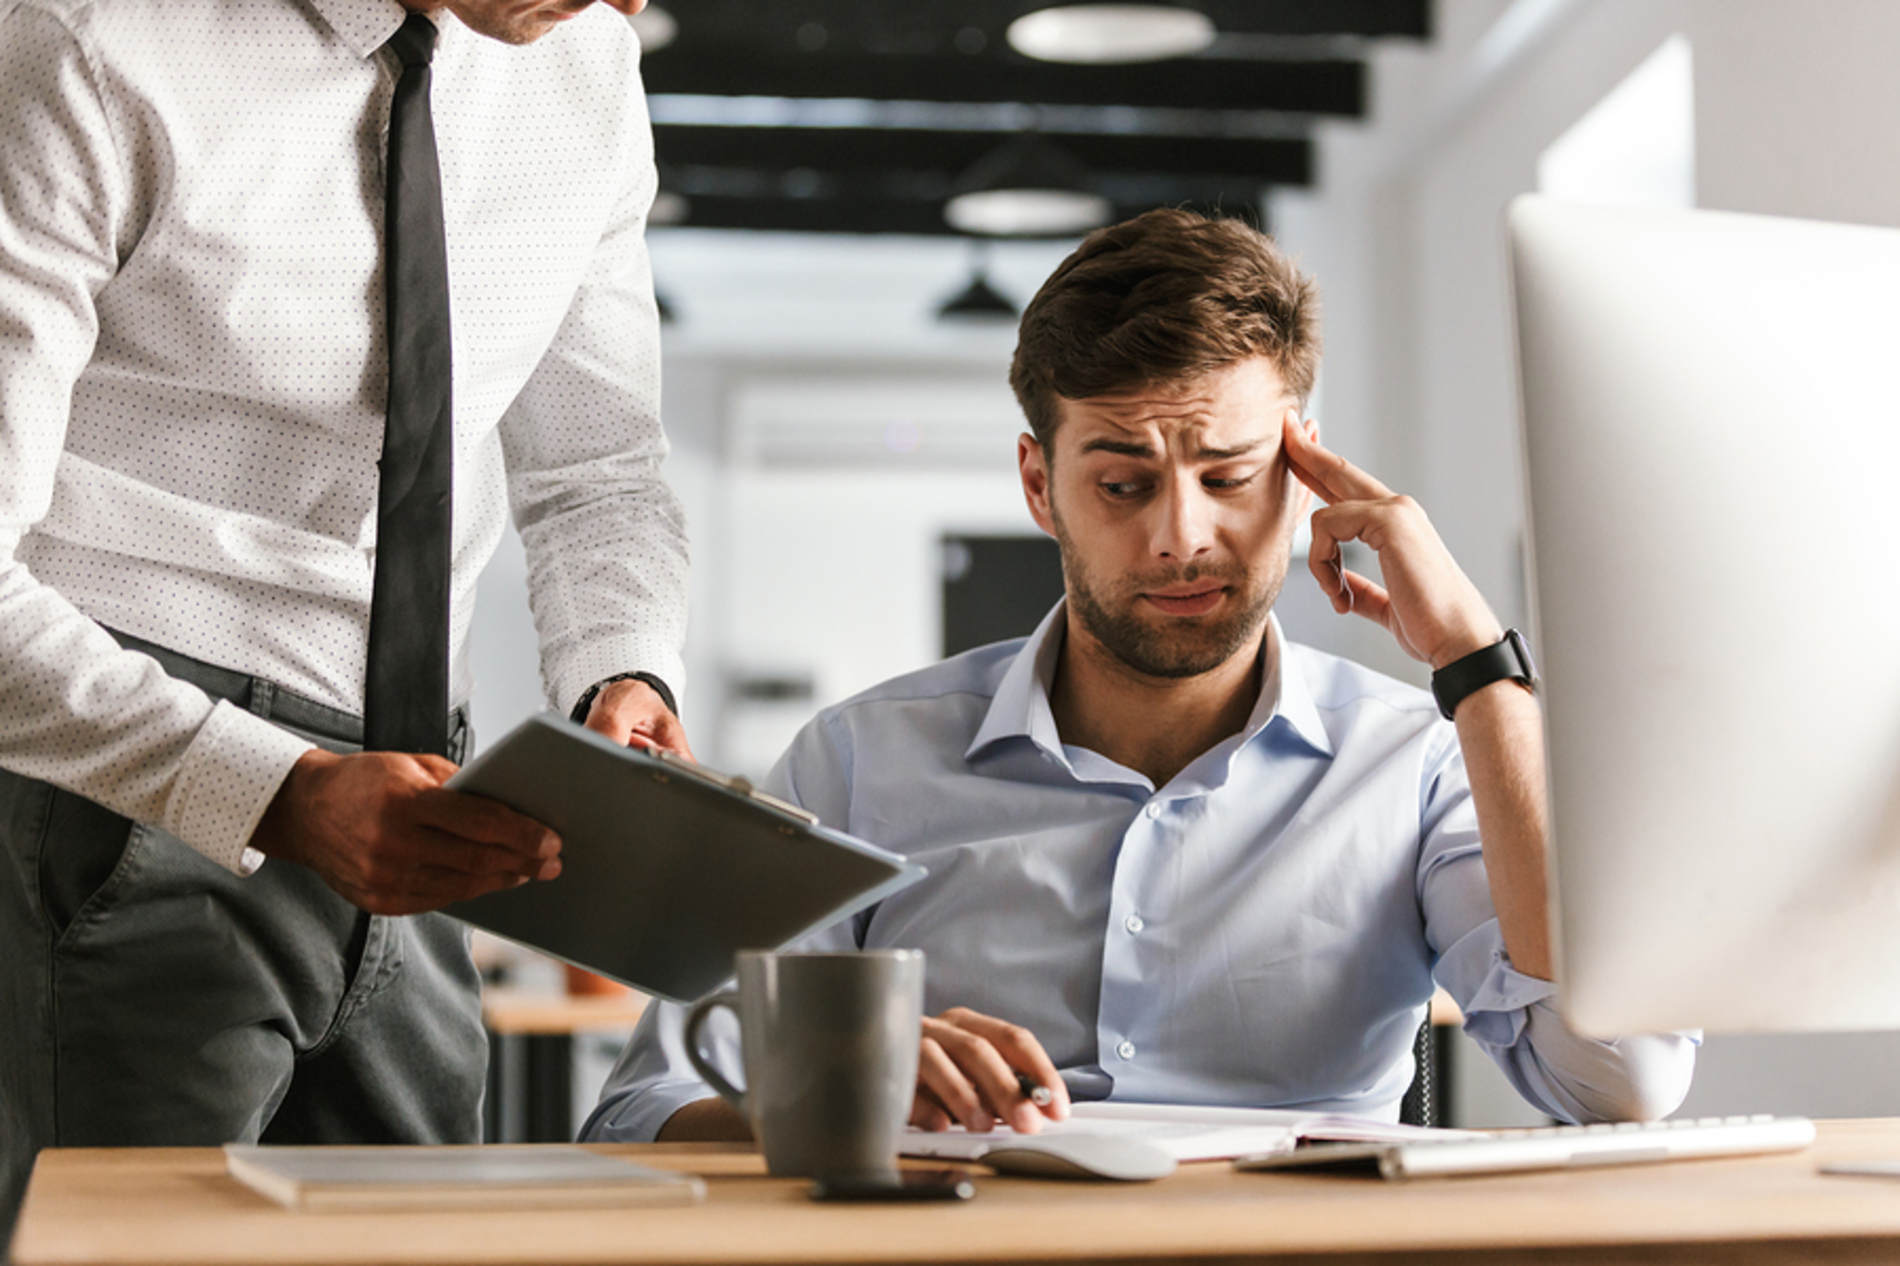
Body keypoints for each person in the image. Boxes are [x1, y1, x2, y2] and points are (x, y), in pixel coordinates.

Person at [583, 208, 1695, 1146]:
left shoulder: (1414, 763)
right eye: (1122, 484)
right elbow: (643, 1105)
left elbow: (1619, 1082)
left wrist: (1479, 667)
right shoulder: (860, 759)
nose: (1180, 537)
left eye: (1230, 475)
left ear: (1304, 470)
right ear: (1038, 483)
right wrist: (839, 1091)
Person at [0, 0, 691, 1237]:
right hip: (132, 784)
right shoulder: (84, 41)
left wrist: (621, 672)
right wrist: (272, 790)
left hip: (428, 781)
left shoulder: (586, 65)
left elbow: (599, 466)